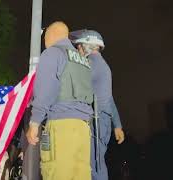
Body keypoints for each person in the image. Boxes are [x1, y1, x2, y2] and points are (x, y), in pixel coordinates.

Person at [26, 21, 94, 180]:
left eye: (45, 40)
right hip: (83, 129)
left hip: (61, 126)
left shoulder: (52, 53)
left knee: (56, 172)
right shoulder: (83, 60)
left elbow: (45, 89)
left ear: (51, 36)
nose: (45, 44)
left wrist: (34, 122)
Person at [70, 29, 125, 180]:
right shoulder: (104, 66)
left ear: (88, 46)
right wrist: (117, 125)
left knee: (93, 166)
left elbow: (74, 87)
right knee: (97, 163)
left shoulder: (91, 64)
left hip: (97, 121)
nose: (78, 50)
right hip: (103, 121)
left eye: (79, 46)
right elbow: (110, 99)